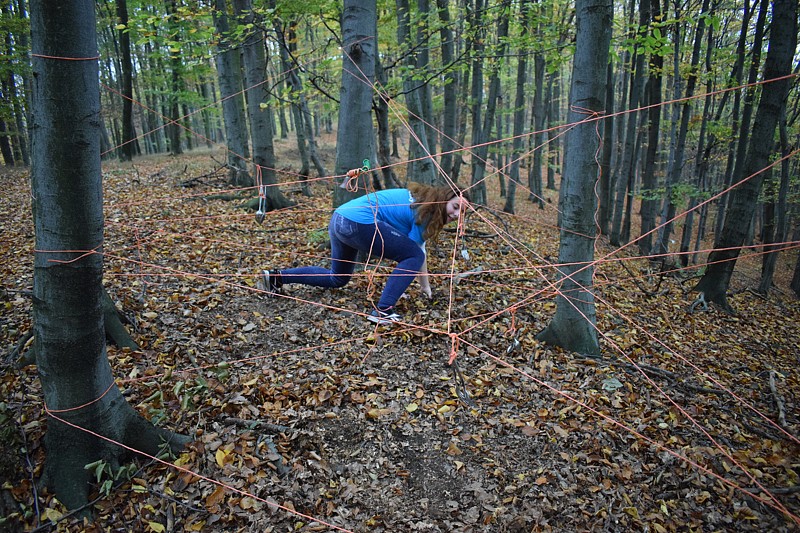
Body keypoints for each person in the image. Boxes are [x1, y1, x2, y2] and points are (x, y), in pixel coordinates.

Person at [260, 172, 469, 325]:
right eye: (455, 207)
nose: (457, 214)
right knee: (411, 255)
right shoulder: (428, 212)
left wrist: (425, 287)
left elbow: (418, 249)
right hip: (359, 222)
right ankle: (383, 310)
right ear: (444, 199)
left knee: (338, 277)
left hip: (340, 218)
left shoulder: (422, 201)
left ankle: (277, 277)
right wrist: (425, 286)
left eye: (463, 212)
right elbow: (416, 254)